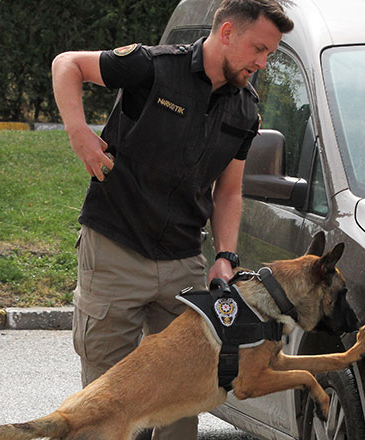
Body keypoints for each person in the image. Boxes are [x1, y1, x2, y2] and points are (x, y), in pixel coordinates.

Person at [50, 1, 294, 438]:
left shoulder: (245, 111)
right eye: (258, 48)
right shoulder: (154, 67)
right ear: (226, 33)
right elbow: (67, 64)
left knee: (183, 403)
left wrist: (224, 254)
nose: (262, 62)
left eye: (270, 54)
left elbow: (230, 191)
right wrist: (78, 132)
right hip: (114, 249)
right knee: (107, 404)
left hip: (183, 262)